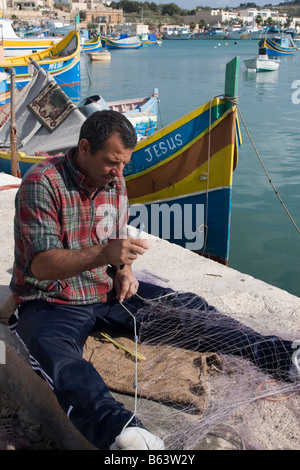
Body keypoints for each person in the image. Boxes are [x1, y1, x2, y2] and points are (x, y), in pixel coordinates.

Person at [8, 110, 299, 451]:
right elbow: (41, 265)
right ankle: (125, 435)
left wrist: (124, 272)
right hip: (49, 300)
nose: (119, 173)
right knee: (58, 358)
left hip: (105, 290)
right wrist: (106, 254)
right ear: (84, 148)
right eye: (111, 163)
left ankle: (282, 357)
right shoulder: (41, 183)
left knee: (189, 309)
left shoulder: (114, 182)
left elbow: (115, 243)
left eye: (123, 165)